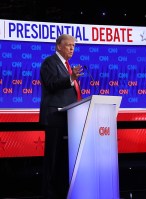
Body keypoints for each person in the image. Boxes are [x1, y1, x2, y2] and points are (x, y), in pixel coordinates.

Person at [39, 34, 83, 199]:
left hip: (69, 119)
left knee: (64, 160)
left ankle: (62, 192)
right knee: (52, 159)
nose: (72, 48)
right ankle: (48, 195)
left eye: (74, 45)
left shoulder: (68, 66)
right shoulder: (49, 63)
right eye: (68, 45)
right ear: (58, 46)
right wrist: (71, 78)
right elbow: (51, 85)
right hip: (55, 117)